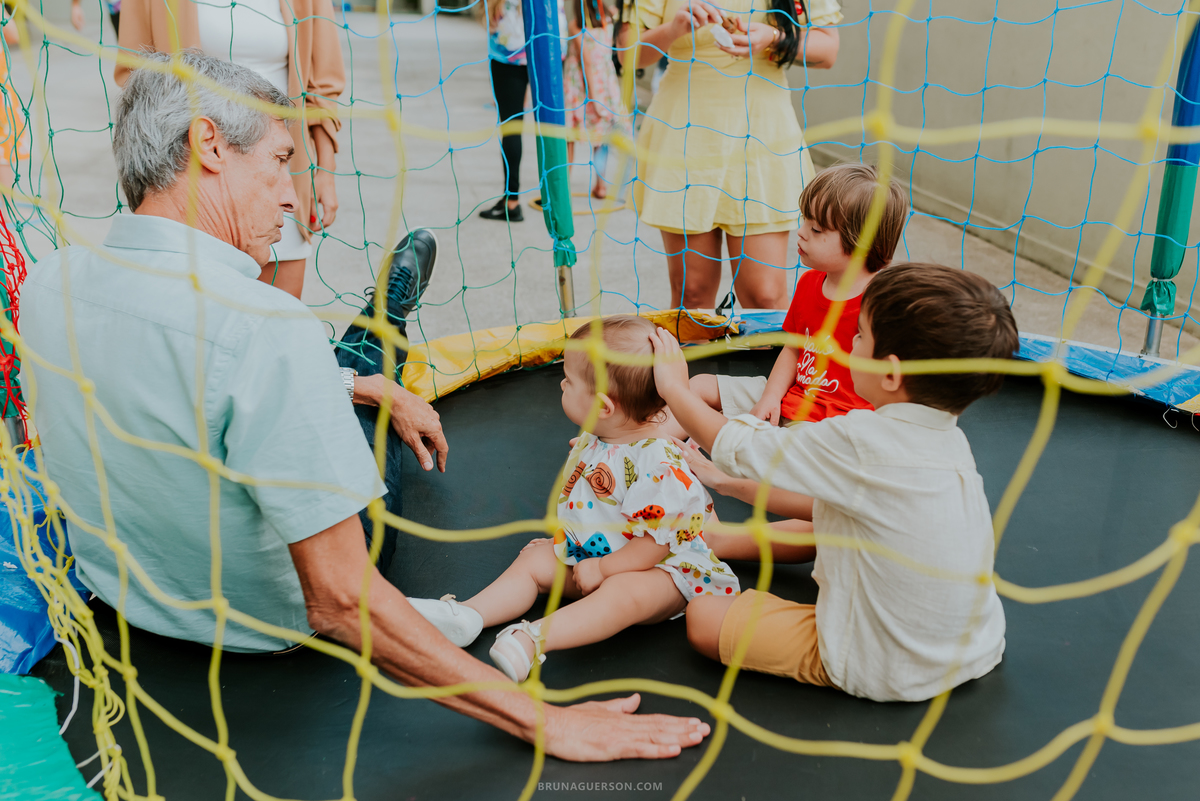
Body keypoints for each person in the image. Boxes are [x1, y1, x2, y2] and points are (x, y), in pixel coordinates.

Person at [21, 52, 710, 760]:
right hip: (266, 632)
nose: (291, 196)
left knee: (353, 376)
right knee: (372, 405)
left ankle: (369, 347)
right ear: (209, 145)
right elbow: (341, 599)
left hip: (131, 610)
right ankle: (381, 330)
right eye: (282, 159)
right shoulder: (265, 327)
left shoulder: (48, 282)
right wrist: (548, 722)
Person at [650, 262, 1018, 702]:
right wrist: (730, 487)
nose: (849, 344)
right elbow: (824, 504)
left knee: (705, 618)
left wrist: (674, 388)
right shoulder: (950, 441)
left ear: (891, 373)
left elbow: (738, 443)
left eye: (858, 336)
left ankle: (732, 560)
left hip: (881, 663)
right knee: (833, 522)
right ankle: (721, 540)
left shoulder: (862, 439)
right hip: (974, 647)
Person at [407, 316, 739, 683]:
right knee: (534, 559)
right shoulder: (602, 436)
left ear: (604, 406)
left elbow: (652, 546)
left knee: (623, 590)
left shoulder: (658, 461)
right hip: (595, 558)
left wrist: (604, 569)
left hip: (666, 571)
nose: (561, 383)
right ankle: (469, 615)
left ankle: (532, 639)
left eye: (569, 380)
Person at [619, 0, 841, 310]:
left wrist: (774, 38)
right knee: (692, 295)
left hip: (763, 135)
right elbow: (626, 54)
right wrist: (673, 30)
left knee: (765, 297)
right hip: (684, 133)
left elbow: (828, 50)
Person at [115, 0, 344, 300]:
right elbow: (135, 78)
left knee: (277, 318)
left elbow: (323, 87)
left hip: (278, 166)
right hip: (197, 176)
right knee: (193, 312)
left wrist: (324, 171)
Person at [676, 164, 909, 436]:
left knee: (777, 446)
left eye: (818, 229)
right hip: (791, 394)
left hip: (834, 423)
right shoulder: (810, 283)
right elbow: (793, 348)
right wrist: (770, 397)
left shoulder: (883, 303)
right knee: (698, 385)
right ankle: (645, 443)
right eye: (804, 220)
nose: (801, 232)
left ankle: (724, 448)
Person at [478, 0, 567, 223]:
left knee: (511, 125)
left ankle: (512, 201)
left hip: (511, 48)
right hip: (550, 42)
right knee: (551, 126)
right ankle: (558, 206)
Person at [563, 0, 629, 200]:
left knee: (571, 136)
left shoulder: (576, 24)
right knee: (600, 137)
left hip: (583, 83)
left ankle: (566, 186)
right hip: (604, 80)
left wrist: (594, 95)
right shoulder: (610, 17)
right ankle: (601, 186)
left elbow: (587, 61)